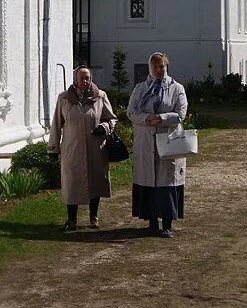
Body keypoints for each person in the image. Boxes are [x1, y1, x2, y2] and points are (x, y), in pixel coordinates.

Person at [47, 65, 116, 232]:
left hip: (95, 149)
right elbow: (56, 124)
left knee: (95, 183)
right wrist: (53, 148)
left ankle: (94, 217)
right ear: (75, 80)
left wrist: (104, 127)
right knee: (72, 184)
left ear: (91, 79)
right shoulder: (64, 98)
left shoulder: (100, 96)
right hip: (72, 149)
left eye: (87, 78)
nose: (84, 81)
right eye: (81, 78)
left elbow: (112, 119)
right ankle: (72, 220)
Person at [128, 52, 188, 238]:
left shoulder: (176, 88)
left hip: (168, 140)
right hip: (146, 141)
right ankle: (152, 221)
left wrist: (160, 118)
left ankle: (167, 224)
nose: (158, 70)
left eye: (161, 66)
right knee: (149, 183)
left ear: (166, 67)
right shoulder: (140, 89)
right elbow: (131, 112)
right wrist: (147, 119)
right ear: (150, 68)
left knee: (166, 182)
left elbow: (180, 113)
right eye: (155, 67)